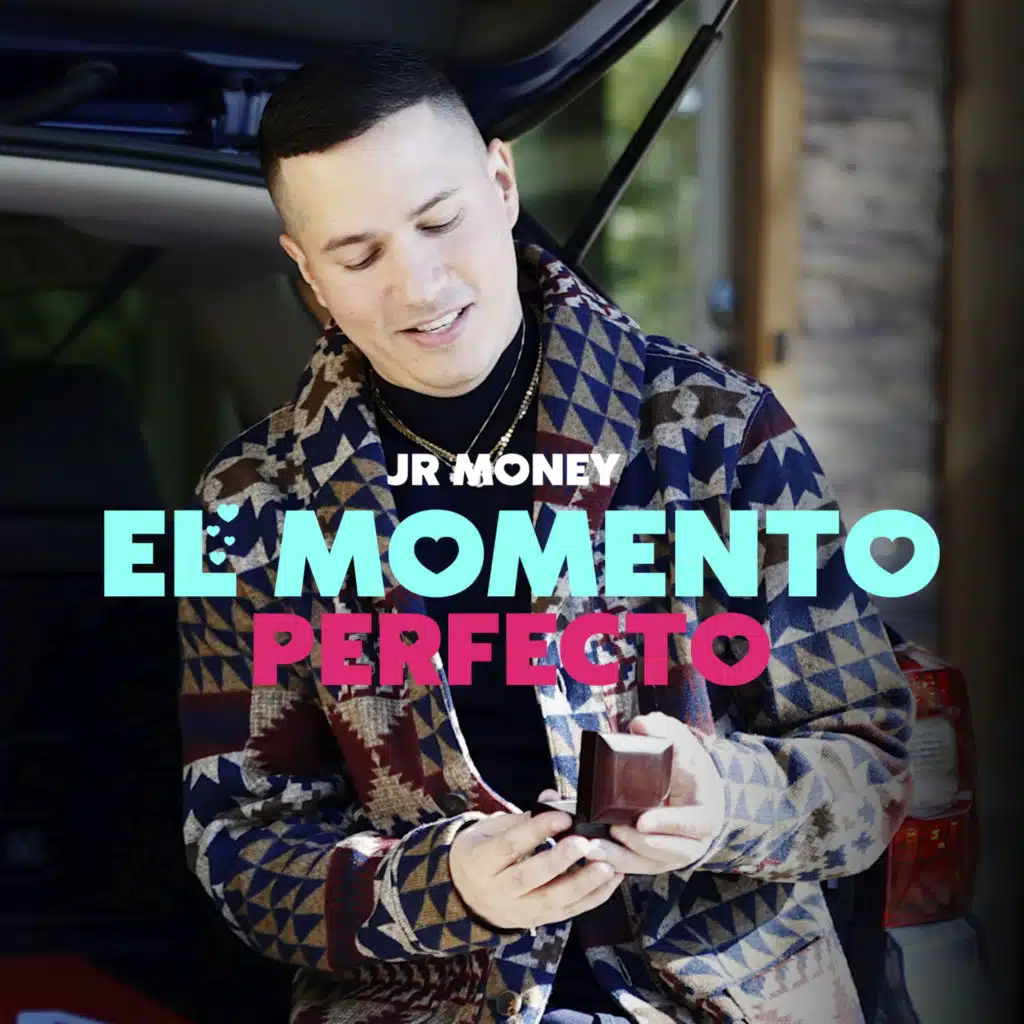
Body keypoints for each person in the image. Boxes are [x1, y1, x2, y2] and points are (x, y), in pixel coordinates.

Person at [177, 41, 915, 1024]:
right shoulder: (250, 502)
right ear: (306, 270)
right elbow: (238, 843)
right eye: (359, 255)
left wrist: (720, 801)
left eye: (438, 221)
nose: (419, 285)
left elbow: (871, 765)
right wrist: (439, 885)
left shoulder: (715, 433)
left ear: (500, 182)